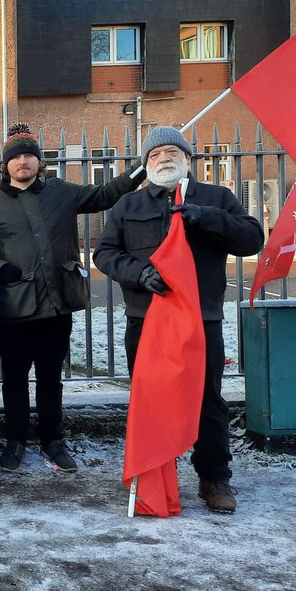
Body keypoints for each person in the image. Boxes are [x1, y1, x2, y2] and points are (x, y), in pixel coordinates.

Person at [95, 126, 263, 513]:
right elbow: (104, 254)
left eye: (173, 152)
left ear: (188, 159)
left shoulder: (216, 198)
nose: (164, 158)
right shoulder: (128, 206)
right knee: (150, 400)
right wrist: (138, 273)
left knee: (207, 401)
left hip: (200, 321)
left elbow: (252, 238)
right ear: (145, 164)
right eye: (155, 155)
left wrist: (207, 218)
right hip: (147, 320)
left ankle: (214, 477)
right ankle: (153, 472)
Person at [0, 123, 144, 473]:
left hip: (56, 304)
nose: (23, 162)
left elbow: (105, 195)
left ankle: (53, 440)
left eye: (29, 155)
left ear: (39, 162)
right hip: (14, 308)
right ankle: (15, 440)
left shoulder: (62, 192)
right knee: (13, 379)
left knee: (51, 378)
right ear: (5, 166)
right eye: (15, 157)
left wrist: (142, 167)